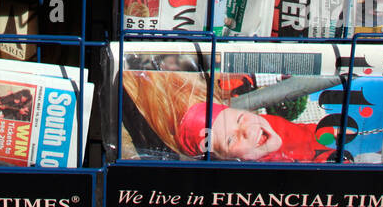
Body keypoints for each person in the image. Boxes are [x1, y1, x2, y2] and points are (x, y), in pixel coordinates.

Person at [122, 70, 336, 163]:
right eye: (231, 140)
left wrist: (334, 132)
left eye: (240, 120)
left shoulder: (260, 128)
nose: (249, 130)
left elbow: (310, 134)